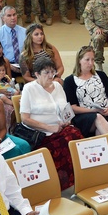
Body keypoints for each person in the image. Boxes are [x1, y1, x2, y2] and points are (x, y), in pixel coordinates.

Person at [19, 55, 86, 189]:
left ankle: (80, 178)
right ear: (37, 74)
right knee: (62, 145)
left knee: (76, 136)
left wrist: (67, 121)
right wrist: (49, 128)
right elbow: (25, 118)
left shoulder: (58, 86)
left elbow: (65, 110)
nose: (51, 76)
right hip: (41, 132)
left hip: (60, 128)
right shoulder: (29, 89)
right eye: (47, 73)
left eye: (52, 72)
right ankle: (62, 184)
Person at [63, 47, 108, 135]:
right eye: (87, 60)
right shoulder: (69, 81)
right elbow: (73, 108)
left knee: (100, 131)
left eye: (93, 59)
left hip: (107, 114)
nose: (90, 63)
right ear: (79, 60)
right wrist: (93, 110)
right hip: (85, 117)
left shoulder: (101, 75)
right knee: (98, 117)